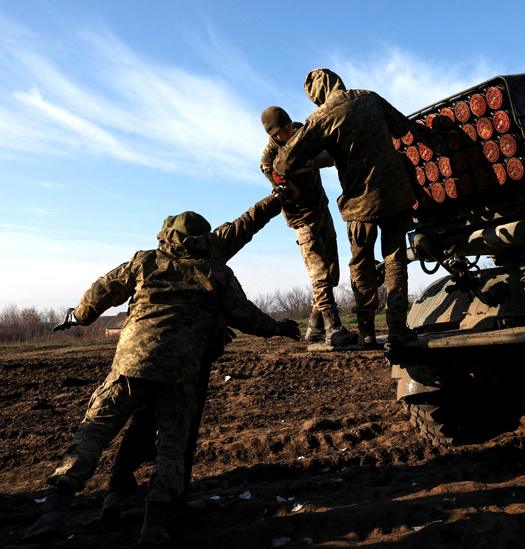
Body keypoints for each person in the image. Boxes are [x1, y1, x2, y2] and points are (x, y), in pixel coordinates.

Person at [23, 210, 300, 546]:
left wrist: (78, 316)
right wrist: (277, 328)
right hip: (182, 374)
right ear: (204, 238)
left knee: (93, 433)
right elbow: (245, 315)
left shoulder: (144, 262)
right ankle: (154, 526)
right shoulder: (216, 272)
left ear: (167, 234)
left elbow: (101, 291)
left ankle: (54, 511)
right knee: (172, 448)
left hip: (131, 367)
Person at [98, 193, 286, 525]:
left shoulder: (155, 259)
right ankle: (170, 504)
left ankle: (117, 489)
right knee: (179, 433)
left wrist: (275, 200)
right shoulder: (214, 249)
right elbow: (248, 223)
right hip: (192, 358)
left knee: (143, 420)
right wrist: (277, 199)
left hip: (145, 357)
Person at [273, 68, 418, 345]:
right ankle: (398, 328)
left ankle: (367, 333)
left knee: (362, 264)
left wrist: (310, 159)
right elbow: (402, 127)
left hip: (360, 202)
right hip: (395, 193)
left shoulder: (321, 117)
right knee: (395, 260)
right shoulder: (369, 97)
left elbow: (283, 162)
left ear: (317, 94)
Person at [259, 106, 358, 346]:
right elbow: (279, 181)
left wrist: (312, 159)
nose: (288, 132)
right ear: (273, 134)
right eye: (282, 131)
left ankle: (314, 326)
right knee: (319, 272)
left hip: (320, 208)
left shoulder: (305, 133)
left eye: (289, 127)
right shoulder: (270, 156)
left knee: (332, 269)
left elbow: (329, 155)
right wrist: (288, 183)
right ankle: (333, 328)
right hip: (301, 217)